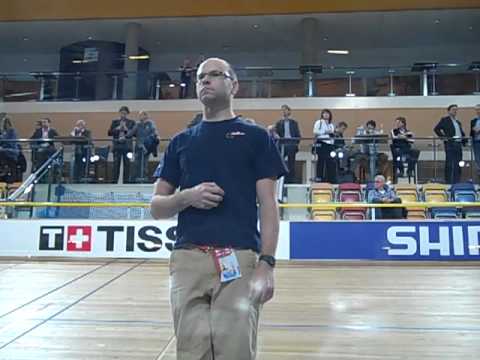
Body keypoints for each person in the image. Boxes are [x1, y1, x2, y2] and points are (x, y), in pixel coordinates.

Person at [150, 57, 287, 360]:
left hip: (239, 260)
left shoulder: (256, 137)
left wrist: (266, 264)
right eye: (200, 77)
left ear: (233, 85)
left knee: (236, 352)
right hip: (187, 261)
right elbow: (156, 207)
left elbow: (268, 205)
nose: (205, 81)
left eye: (214, 75)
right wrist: (186, 197)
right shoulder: (181, 142)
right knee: (191, 353)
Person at [434, 104, 466, 184]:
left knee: (458, 163)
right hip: (450, 144)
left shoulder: (458, 122)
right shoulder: (445, 120)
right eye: (453, 109)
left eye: (456, 110)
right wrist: (444, 138)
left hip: (458, 144)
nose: (455, 111)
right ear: (448, 111)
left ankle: (457, 181)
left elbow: (461, 132)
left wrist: (464, 140)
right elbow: (436, 129)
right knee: (449, 163)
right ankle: (448, 181)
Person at [128, 110, 159, 181]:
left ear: (146, 116)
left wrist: (156, 137)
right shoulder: (137, 124)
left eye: (141, 115)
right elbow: (131, 133)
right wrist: (127, 133)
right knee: (136, 163)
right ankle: (135, 178)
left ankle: (144, 178)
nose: (140, 116)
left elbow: (154, 132)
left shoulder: (150, 124)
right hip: (138, 146)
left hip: (147, 147)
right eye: (139, 115)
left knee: (145, 163)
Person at [108, 106, 135, 183]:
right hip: (117, 146)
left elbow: (134, 133)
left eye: (125, 113)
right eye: (122, 113)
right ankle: (114, 181)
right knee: (116, 165)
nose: (123, 115)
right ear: (119, 113)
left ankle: (126, 182)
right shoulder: (115, 122)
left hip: (127, 146)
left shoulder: (131, 122)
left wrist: (126, 129)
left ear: (127, 114)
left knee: (127, 165)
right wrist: (117, 128)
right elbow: (109, 133)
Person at [274, 105, 301, 183]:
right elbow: (275, 132)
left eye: (285, 110)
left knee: (291, 163)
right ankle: (281, 178)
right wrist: (276, 135)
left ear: (289, 111)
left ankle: (291, 179)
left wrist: (295, 143)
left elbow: (298, 134)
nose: (284, 111)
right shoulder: (279, 123)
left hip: (291, 144)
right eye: (282, 110)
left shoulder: (294, 123)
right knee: (280, 162)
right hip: (282, 144)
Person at [313, 109, 336, 182]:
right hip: (322, 143)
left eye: (327, 113)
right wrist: (325, 132)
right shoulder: (318, 122)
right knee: (321, 161)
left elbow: (332, 134)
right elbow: (315, 132)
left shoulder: (331, 125)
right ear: (322, 115)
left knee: (330, 162)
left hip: (329, 144)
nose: (326, 115)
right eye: (324, 113)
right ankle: (319, 178)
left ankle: (330, 179)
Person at [469, 104, 480, 176]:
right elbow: (471, 132)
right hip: (476, 141)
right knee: (477, 157)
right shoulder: (473, 121)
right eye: (477, 110)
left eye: (479, 109)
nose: (478, 111)